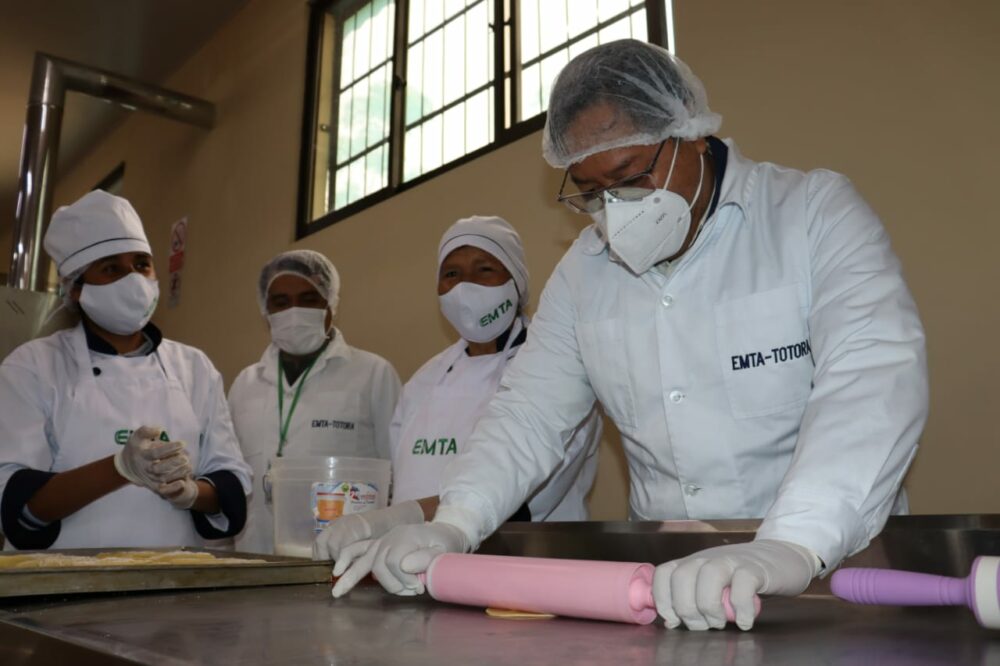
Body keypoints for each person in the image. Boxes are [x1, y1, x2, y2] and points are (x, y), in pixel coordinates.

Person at [335, 39, 928, 631]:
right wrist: (455, 522)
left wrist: (795, 542)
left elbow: (872, 376)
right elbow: (529, 415)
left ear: (691, 132)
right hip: (666, 584)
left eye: (630, 177)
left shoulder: (810, 214)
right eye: (591, 193)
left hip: (829, 566)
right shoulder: (583, 273)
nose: (615, 210)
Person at [314, 217, 602, 591]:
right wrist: (377, 519)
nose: (465, 287)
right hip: (413, 571)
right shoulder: (424, 380)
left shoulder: (554, 370)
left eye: (484, 270)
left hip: (530, 576)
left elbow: (523, 494)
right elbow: (398, 478)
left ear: (516, 281)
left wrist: (396, 519)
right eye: (451, 273)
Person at [0, 190, 252, 549]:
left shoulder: (194, 367)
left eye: (141, 264)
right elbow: (18, 506)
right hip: (62, 588)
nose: (132, 279)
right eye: (111, 268)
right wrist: (119, 468)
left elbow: (230, 484)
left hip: (176, 586)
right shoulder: (33, 366)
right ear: (75, 289)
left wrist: (190, 492)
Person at [229, 249, 401, 554]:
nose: (294, 311)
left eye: (309, 299)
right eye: (280, 303)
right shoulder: (245, 384)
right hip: (254, 555)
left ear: (330, 304)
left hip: (341, 557)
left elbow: (398, 474)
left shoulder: (373, 373)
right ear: (265, 311)